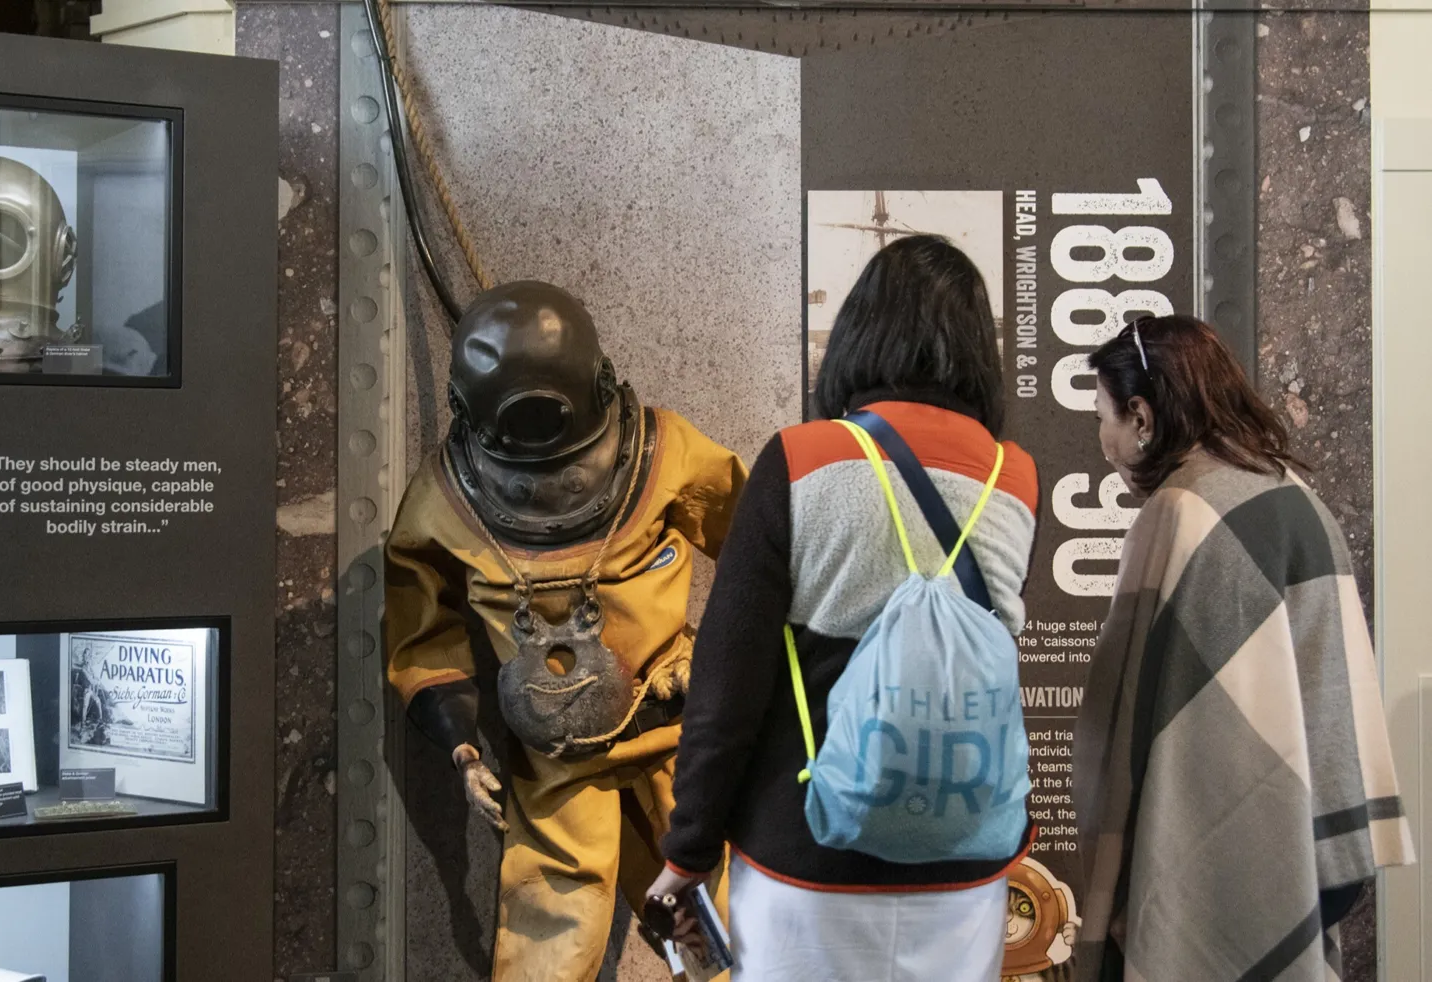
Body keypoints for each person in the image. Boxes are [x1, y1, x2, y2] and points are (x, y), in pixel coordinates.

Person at [646, 235, 1040, 981]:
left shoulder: (801, 459)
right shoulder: (1014, 479)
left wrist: (688, 850)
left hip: (805, 864)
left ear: (859, 332)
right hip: (963, 871)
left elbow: (726, 688)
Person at [383, 281, 747, 981]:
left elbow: (760, 552)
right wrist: (460, 743)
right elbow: (419, 629)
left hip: (674, 726)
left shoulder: (663, 454)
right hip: (558, 759)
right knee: (558, 932)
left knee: (707, 911)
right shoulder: (444, 501)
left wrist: (736, 672)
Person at [1072, 315, 1414, 981]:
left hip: (1216, 868)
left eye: (1103, 418)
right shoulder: (1293, 492)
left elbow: (1130, 733)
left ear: (1141, 416)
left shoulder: (1179, 512)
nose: (1102, 441)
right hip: (1308, 841)